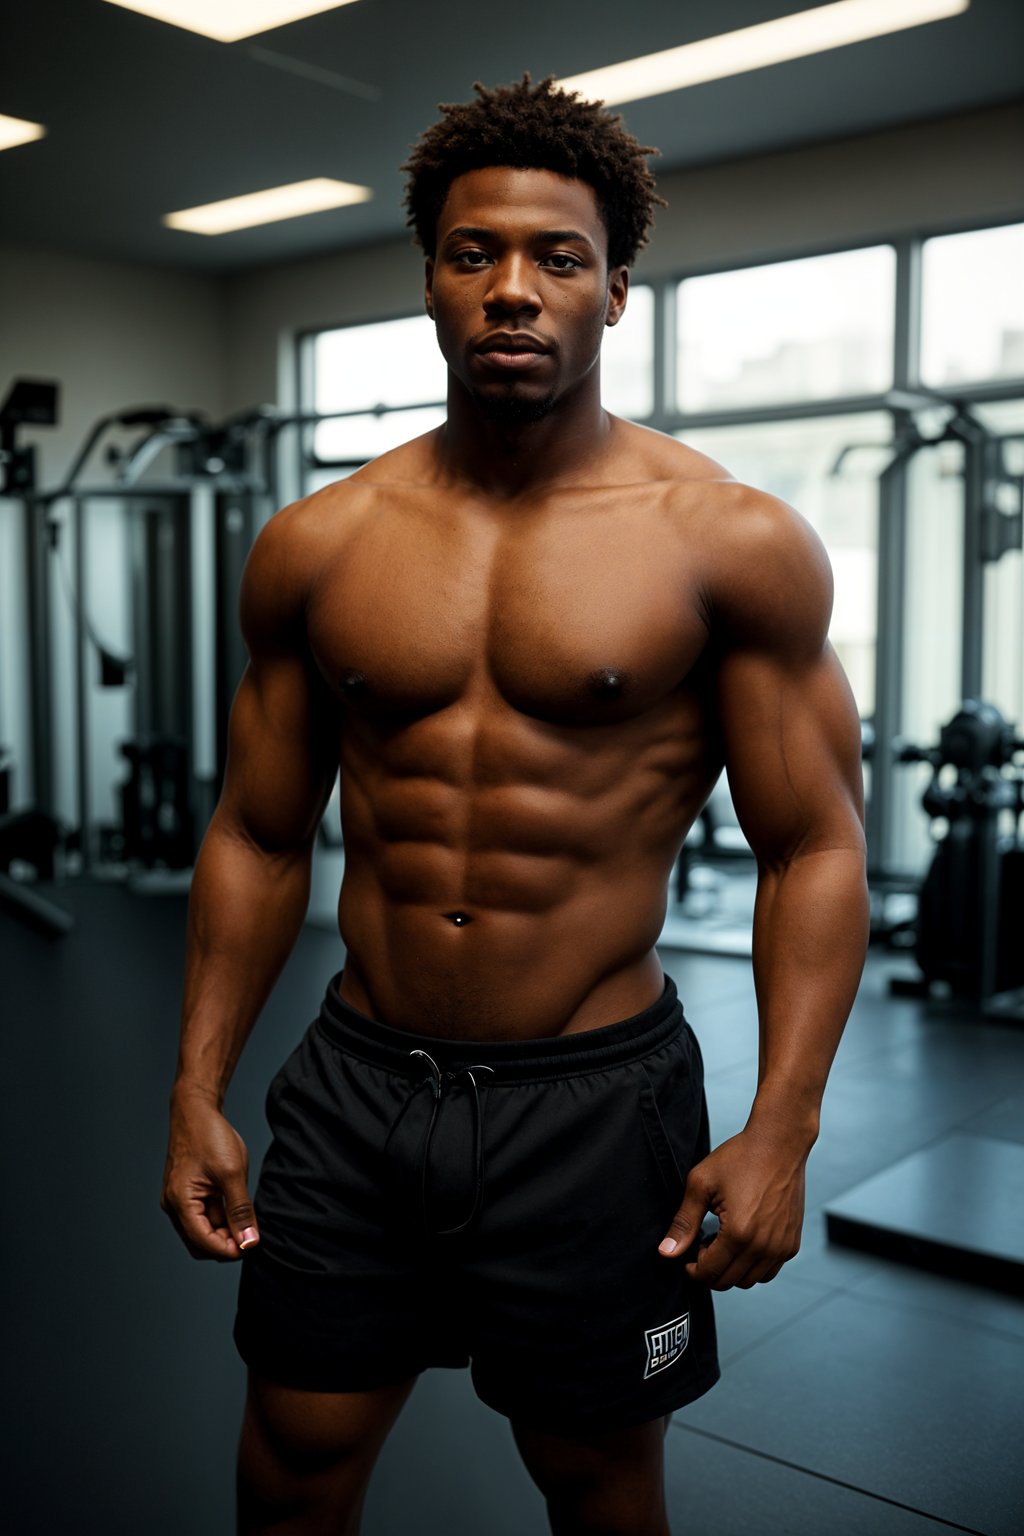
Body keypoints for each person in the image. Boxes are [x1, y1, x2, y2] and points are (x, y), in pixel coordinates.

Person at [161, 75, 869, 1536]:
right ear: (429, 279)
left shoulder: (727, 542)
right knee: (293, 1462)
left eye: (558, 257)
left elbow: (814, 846)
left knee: (596, 1475)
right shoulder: (318, 546)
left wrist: (783, 1126)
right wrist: (196, 1082)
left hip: (595, 1107)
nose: (513, 290)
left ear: (618, 290)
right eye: (474, 252)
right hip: (357, 1087)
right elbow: (256, 830)